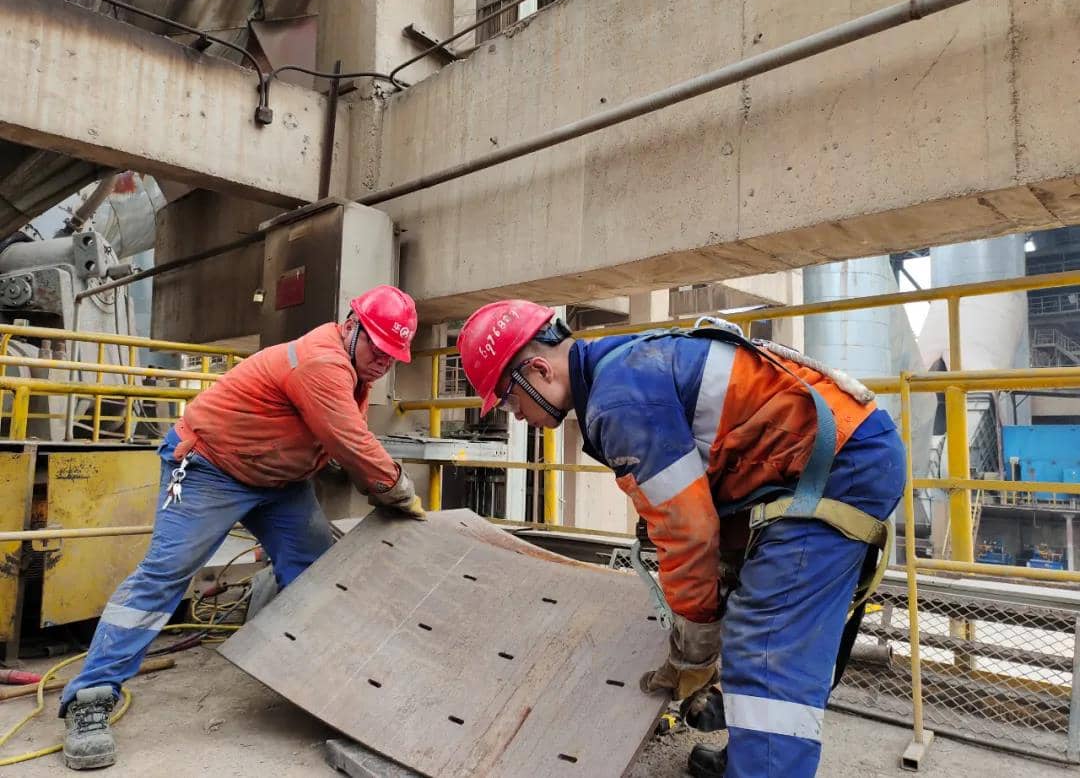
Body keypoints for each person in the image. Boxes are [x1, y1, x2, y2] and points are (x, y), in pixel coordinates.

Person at [455, 300, 905, 778]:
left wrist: (694, 648)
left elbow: (687, 531)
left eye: (509, 400)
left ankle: (765, 765)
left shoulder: (618, 403)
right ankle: (752, 754)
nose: (516, 416)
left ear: (539, 370)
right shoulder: (621, 368)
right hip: (813, 460)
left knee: (766, 642)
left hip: (837, 466)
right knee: (747, 606)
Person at [61, 285, 426, 770]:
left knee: (319, 574)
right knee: (166, 573)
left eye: (392, 354)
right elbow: (351, 441)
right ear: (351, 326)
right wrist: (398, 492)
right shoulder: (322, 360)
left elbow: (337, 438)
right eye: (377, 347)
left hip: (279, 482)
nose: (383, 361)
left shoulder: (357, 372)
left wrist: (358, 473)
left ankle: (332, 690)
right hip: (211, 466)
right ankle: (91, 697)